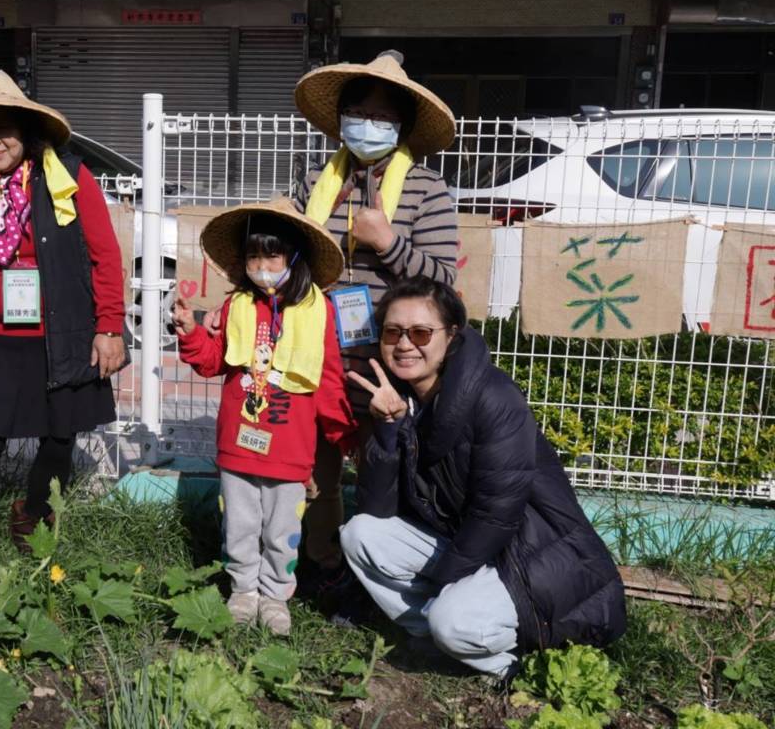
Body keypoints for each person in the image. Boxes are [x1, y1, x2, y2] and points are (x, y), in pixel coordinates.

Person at [341, 276, 626, 678]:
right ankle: (443, 638)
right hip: (469, 548)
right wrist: (388, 429)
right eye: (393, 331)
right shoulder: (401, 400)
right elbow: (377, 509)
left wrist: (443, 583)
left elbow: (497, 515)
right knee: (360, 533)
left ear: (452, 335)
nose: (405, 344)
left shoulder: (493, 397)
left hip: (535, 554)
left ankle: (507, 666)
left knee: (453, 620)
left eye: (421, 332)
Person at [0, 71, 128, 554]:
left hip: (64, 334)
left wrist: (110, 327)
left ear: (26, 131)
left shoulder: (70, 177)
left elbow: (105, 255)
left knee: (59, 439)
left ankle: (34, 516)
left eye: (3, 128)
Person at [292, 49, 461, 604]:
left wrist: (388, 242)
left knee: (383, 473)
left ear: (404, 126)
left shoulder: (428, 189)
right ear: (340, 118)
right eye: (358, 111)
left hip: (390, 362)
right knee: (315, 472)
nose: (368, 124)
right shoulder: (317, 179)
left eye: (383, 116)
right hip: (316, 353)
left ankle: (380, 582)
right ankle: (325, 568)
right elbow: (284, 258)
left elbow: (444, 285)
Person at [173, 199, 357, 636]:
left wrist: (344, 435)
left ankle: (275, 595)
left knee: (281, 531)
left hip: (290, 451)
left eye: (271, 254)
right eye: (253, 255)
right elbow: (214, 361)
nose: (262, 265)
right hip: (238, 444)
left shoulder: (319, 312)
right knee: (238, 525)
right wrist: (192, 334)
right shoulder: (237, 306)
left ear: (295, 256)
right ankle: (242, 592)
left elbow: (329, 381)